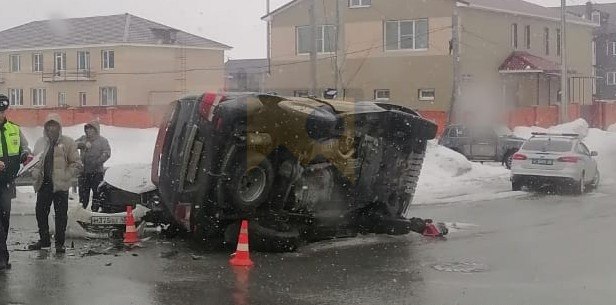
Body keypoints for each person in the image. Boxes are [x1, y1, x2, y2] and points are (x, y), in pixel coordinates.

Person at [28, 114, 81, 253]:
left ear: (59, 127)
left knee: (61, 215)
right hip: (44, 184)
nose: (51, 128)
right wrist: (35, 172)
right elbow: (35, 161)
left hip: (60, 186)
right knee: (40, 212)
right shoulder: (40, 142)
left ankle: (59, 243)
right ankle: (44, 241)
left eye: (54, 125)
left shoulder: (68, 142)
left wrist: (66, 175)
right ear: (46, 127)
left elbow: (76, 163)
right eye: (49, 125)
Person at [0, 94, 32, 271]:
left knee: (4, 221)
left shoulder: (14, 129)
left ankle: (1, 254)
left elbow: (24, 146)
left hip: (7, 183)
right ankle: (2, 259)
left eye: (2, 111)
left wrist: (25, 154)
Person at [76, 120, 111, 212]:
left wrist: (97, 161)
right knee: (83, 195)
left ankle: (94, 212)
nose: (88, 131)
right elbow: (72, 145)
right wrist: (83, 145)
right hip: (83, 172)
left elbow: (107, 153)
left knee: (97, 194)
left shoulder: (102, 141)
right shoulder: (83, 138)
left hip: (96, 172)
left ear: (96, 130)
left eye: (91, 129)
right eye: (87, 129)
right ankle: (81, 211)